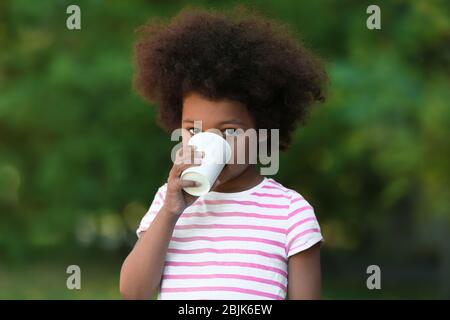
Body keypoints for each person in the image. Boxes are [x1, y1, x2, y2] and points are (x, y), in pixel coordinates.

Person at [120, 6, 327, 300]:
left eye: (229, 131)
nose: (208, 141)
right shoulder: (167, 203)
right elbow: (134, 292)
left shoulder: (291, 213)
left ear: (264, 128)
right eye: (193, 129)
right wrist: (169, 213)